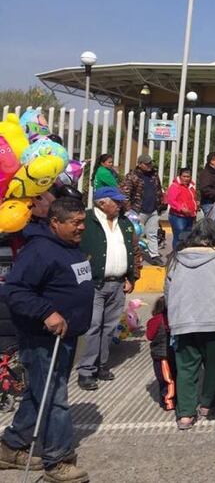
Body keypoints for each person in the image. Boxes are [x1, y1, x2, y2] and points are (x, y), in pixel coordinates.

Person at [0, 198, 94, 482]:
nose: (81, 227)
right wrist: (47, 312)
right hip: (42, 339)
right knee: (54, 398)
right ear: (55, 223)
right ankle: (58, 460)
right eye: (75, 223)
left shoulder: (69, 247)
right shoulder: (40, 250)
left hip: (66, 337)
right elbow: (14, 290)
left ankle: (10, 446)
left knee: (38, 395)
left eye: (82, 222)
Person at [165, 218, 215, 429]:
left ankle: (185, 414)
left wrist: (173, 315)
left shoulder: (176, 258)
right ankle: (208, 403)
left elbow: (168, 290)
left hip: (183, 320)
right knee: (214, 364)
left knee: (185, 366)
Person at [76, 186, 137, 391]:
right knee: (93, 326)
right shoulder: (86, 220)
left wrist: (131, 277)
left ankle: (101, 365)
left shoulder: (125, 223)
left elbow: (133, 250)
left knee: (109, 328)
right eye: (116, 201)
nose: (120, 205)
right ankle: (86, 370)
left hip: (118, 283)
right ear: (102, 203)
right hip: (93, 284)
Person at [121, 153, 165, 265]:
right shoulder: (132, 176)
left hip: (153, 210)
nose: (150, 165)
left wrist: (160, 203)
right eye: (147, 163)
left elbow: (158, 189)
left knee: (153, 233)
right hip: (138, 211)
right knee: (135, 234)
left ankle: (154, 256)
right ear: (140, 164)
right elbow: (125, 194)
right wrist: (129, 210)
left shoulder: (154, 175)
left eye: (150, 163)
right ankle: (131, 256)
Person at [145, 296, 175, 412]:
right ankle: (172, 399)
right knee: (173, 376)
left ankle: (168, 402)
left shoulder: (156, 320)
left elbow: (150, 336)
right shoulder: (174, 318)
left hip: (161, 355)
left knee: (166, 379)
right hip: (173, 352)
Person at [166, 167, 198, 250]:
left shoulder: (190, 186)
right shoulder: (175, 186)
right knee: (179, 237)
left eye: (188, 177)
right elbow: (170, 200)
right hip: (178, 216)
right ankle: (176, 255)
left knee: (187, 238)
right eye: (184, 176)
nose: (186, 179)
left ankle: (184, 255)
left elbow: (192, 198)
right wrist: (181, 208)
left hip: (190, 216)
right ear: (180, 176)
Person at [198, 152, 215, 216]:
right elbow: (205, 189)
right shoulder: (206, 173)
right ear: (212, 161)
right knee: (211, 223)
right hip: (209, 204)